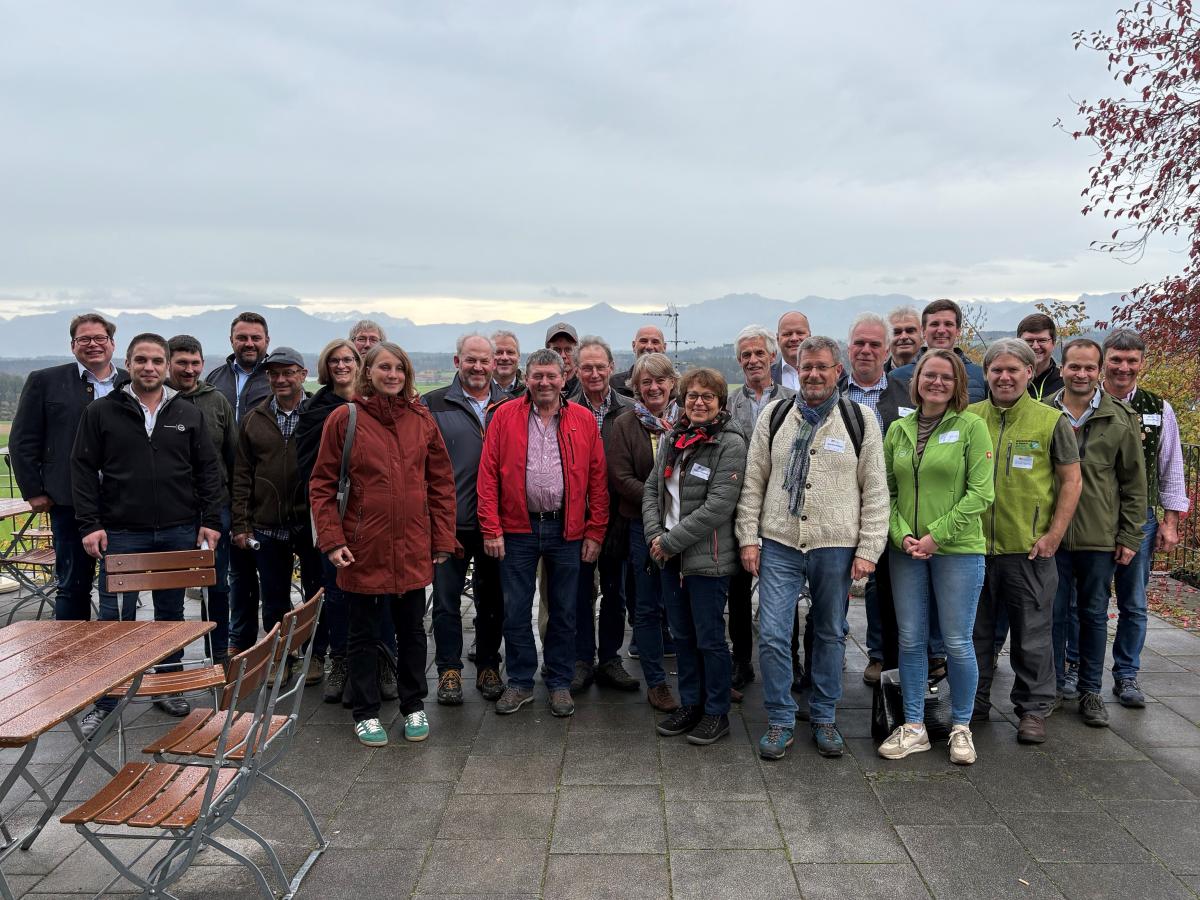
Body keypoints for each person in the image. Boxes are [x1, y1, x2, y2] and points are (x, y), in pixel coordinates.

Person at [737, 336, 888, 760]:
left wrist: (869, 549)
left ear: (837, 371)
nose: (814, 375)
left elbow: (875, 489)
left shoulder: (860, 419)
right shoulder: (776, 414)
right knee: (770, 633)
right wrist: (749, 537)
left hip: (835, 544)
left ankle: (823, 716)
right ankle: (781, 718)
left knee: (829, 633)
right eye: (807, 368)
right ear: (796, 370)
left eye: (823, 367)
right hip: (780, 541)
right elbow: (754, 482)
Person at [71, 332, 223, 735]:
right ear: (129, 362)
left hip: (178, 530)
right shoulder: (102, 412)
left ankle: (167, 686)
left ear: (167, 365)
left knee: (171, 614)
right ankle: (107, 699)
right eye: (141, 360)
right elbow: (83, 470)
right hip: (122, 532)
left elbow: (208, 469)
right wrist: (90, 524)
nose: (150, 367)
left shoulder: (187, 412)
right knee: (115, 618)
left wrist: (210, 521)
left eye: (157, 361)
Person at [310, 341, 457, 747]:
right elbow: (322, 485)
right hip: (363, 546)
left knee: (412, 630)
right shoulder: (346, 418)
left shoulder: (422, 420)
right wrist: (332, 540)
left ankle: (413, 705)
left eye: (399, 369)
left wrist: (442, 538)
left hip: (411, 544)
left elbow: (441, 484)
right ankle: (366, 712)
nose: (392, 375)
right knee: (362, 633)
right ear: (368, 372)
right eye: (384, 368)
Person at [877, 349, 994, 765]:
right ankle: (913, 727)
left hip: (958, 550)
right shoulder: (898, 430)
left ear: (958, 383)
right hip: (906, 551)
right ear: (917, 379)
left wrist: (936, 536)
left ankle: (961, 727)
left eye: (946, 376)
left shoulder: (972, 427)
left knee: (958, 642)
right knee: (910, 640)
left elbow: (981, 494)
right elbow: (886, 493)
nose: (937, 382)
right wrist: (904, 535)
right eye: (930, 374)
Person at [477, 349, 608, 718]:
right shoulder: (503, 416)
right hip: (517, 529)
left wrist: (595, 532)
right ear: (527, 377)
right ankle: (519, 681)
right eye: (537, 376)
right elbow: (487, 476)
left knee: (565, 611)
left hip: (567, 529)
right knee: (516, 610)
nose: (545, 382)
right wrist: (491, 527)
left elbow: (598, 479)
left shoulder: (582, 420)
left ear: (564, 377)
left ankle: (559, 682)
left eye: (551, 375)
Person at [968, 339, 1081, 744]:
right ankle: (972, 704)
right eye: (996, 369)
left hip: (1029, 548)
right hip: (974, 548)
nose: (1004, 376)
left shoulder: (1050, 421)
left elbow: (1071, 480)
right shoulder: (969, 418)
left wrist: (1054, 535)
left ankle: (1033, 709)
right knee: (974, 633)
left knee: (1032, 634)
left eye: (1013, 370)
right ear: (986, 374)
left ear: (1029, 373)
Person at [643, 368, 747, 745]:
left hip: (708, 559)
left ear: (720, 402)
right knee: (683, 636)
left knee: (709, 639)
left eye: (707, 396)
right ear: (682, 400)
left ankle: (716, 712)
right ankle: (691, 703)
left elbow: (719, 506)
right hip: (670, 557)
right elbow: (653, 489)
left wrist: (670, 542)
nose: (698, 402)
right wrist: (656, 535)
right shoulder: (673, 438)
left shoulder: (730, 444)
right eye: (692, 396)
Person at [1048, 338, 1146, 728]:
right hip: (1050, 535)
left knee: (1092, 616)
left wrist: (1129, 536)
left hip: (1098, 536)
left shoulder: (1121, 419)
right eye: (1075, 366)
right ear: (1062, 368)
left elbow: (1134, 485)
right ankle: (1053, 687)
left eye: (1090, 367)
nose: (1082, 374)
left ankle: (1090, 691)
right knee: (1052, 616)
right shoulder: (1042, 413)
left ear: (1099, 370)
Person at [294, 339, 399, 704]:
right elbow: (311, 470)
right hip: (335, 517)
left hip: (376, 518)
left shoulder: (379, 407)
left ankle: (385, 663)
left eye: (348, 359)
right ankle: (341, 663)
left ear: (361, 365)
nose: (342, 366)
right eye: (335, 360)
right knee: (337, 594)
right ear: (326, 366)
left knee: (382, 591)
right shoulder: (316, 410)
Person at [10, 313, 126, 621]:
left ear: (112, 343)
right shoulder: (45, 381)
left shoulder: (130, 381)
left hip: (123, 500)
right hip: (69, 500)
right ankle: (70, 659)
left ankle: (116, 658)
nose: (93, 345)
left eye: (100, 338)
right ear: (72, 345)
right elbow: (22, 440)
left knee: (122, 582)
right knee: (73, 584)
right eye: (84, 339)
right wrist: (34, 491)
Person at [1101, 328, 1190, 708]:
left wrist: (1170, 522)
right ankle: (1075, 668)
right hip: (1092, 518)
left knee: (1134, 603)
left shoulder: (1159, 408)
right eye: (1116, 360)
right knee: (1079, 600)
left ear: (1142, 363)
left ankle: (1127, 674)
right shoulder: (1085, 401)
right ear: (1104, 360)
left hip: (1140, 520)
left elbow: (1171, 467)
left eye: (1131, 361)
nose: (1123, 368)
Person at [423, 334, 508, 704]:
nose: (477, 367)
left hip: (497, 525)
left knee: (493, 600)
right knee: (445, 601)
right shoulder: (433, 403)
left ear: (495, 364)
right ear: (457, 362)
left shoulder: (511, 404)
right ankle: (449, 671)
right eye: (470, 360)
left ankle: (489, 664)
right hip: (449, 523)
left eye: (484, 361)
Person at [230, 347, 322, 668]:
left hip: (309, 522)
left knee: (314, 595)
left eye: (288, 373)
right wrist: (241, 524)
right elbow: (241, 475)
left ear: (303, 374)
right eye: (274, 374)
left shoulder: (317, 414)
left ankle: (314, 656)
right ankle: (278, 657)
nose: (281, 379)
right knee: (274, 598)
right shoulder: (254, 419)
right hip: (267, 523)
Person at [608, 352, 683, 712]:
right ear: (635, 388)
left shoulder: (688, 419)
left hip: (687, 527)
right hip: (643, 528)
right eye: (645, 382)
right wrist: (660, 503)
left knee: (689, 603)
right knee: (648, 606)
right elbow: (620, 478)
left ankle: (698, 676)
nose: (654, 388)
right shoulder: (624, 425)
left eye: (660, 380)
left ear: (672, 383)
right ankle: (656, 682)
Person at [842, 313, 913, 685]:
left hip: (891, 503)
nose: (866, 351)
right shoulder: (832, 391)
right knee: (837, 586)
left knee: (887, 584)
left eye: (874, 345)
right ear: (849, 348)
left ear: (886, 351)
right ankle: (832, 655)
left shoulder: (907, 395)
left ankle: (884, 656)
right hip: (838, 504)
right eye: (860, 343)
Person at [725, 325, 795, 690]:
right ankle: (741, 660)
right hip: (740, 508)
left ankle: (792, 660)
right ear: (739, 362)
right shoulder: (728, 404)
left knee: (784, 587)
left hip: (783, 506)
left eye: (759, 353)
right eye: (746, 355)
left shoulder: (792, 399)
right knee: (738, 590)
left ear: (773, 357)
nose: (753, 360)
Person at [570, 337, 638, 693]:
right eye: (587, 367)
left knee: (616, 592)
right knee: (579, 591)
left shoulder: (630, 409)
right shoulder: (565, 408)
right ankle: (581, 659)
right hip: (576, 516)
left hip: (620, 514)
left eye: (600, 367)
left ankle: (610, 658)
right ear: (576, 370)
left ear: (612, 368)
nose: (594, 373)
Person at [167, 334, 237, 665]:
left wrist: (235, 509)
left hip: (215, 508)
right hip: (171, 512)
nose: (189, 369)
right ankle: (171, 662)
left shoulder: (217, 401)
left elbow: (233, 457)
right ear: (168, 363)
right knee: (171, 591)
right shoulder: (156, 401)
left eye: (195, 363)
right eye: (182, 362)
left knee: (217, 585)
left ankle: (218, 651)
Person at [204, 311, 271, 655]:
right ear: (232, 340)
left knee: (272, 575)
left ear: (266, 342)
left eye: (255, 338)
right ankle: (239, 641)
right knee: (237, 574)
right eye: (242, 337)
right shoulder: (215, 378)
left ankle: (285, 645)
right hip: (223, 490)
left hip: (264, 489)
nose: (249, 344)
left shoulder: (277, 376)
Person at [888, 299, 987, 403]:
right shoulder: (897, 377)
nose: (941, 330)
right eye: (934, 324)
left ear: (958, 331)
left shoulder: (981, 376)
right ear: (923, 331)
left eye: (948, 324)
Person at [611, 325, 667, 397]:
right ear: (633, 346)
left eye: (655, 342)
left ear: (664, 347)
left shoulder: (676, 387)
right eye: (643, 341)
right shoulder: (614, 384)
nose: (649, 346)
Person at [1019, 313, 1064, 401]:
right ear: (1018, 343)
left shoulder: (1064, 382)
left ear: (1053, 343)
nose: (1035, 346)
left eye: (1042, 340)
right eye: (1029, 341)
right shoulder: (1008, 381)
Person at [769, 311, 812, 391]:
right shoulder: (767, 377)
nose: (794, 338)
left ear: (809, 337)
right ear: (778, 339)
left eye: (800, 333)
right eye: (787, 334)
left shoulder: (831, 372)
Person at [545, 321, 581, 397]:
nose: (563, 355)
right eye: (557, 350)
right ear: (547, 352)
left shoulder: (587, 387)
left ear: (577, 352)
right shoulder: (537, 388)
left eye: (568, 350)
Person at [887, 306, 922, 371]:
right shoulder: (876, 376)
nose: (904, 337)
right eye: (897, 332)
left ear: (922, 336)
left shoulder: (938, 369)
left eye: (910, 331)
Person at [491, 329, 525, 396]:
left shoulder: (530, 392)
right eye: (498, 352)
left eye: (510, 352)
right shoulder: (477, 389)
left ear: (519, 357)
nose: (505, 358)